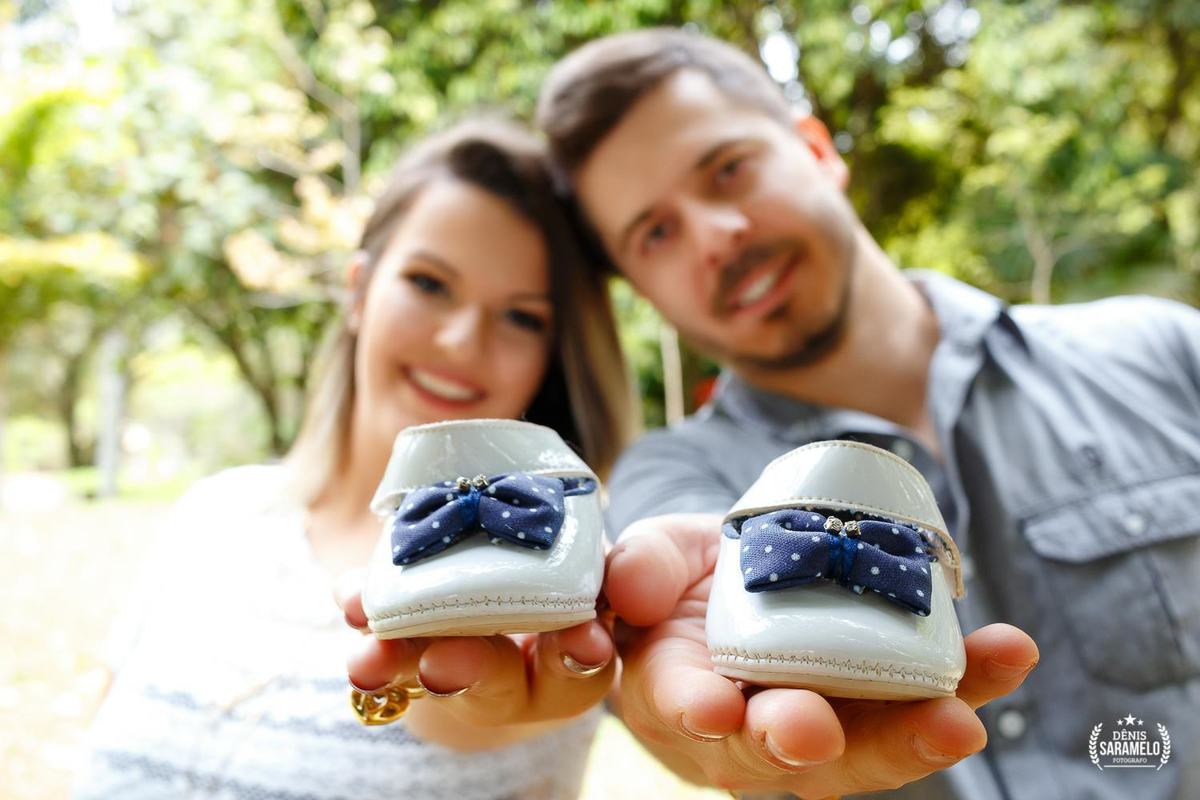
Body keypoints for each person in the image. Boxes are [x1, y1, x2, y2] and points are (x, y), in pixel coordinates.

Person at [529, 27, 1199, 799]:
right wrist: (688, 710)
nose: (716, 237)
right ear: (640, 290)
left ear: (817, 150)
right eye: (655, 233)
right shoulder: (669, 476)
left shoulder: (1166, 352)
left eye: (728, 169)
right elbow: (673, 641)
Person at [74, 118, 636, 800]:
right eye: (429, 283)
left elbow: (490, 704)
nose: (461, 341)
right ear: (359, 290)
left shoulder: (555, 572)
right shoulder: (212, 512)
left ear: (552, 357)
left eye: (522, 317)